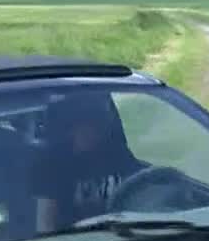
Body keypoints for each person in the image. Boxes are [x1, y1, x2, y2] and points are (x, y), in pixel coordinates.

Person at [33, 92, 143, 232]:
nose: (95, 130)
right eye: (87, 123)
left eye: (99, 122)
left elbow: (143, 185)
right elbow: (46, 225)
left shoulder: (118, 154)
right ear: (69, 128)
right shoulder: (51, 167)